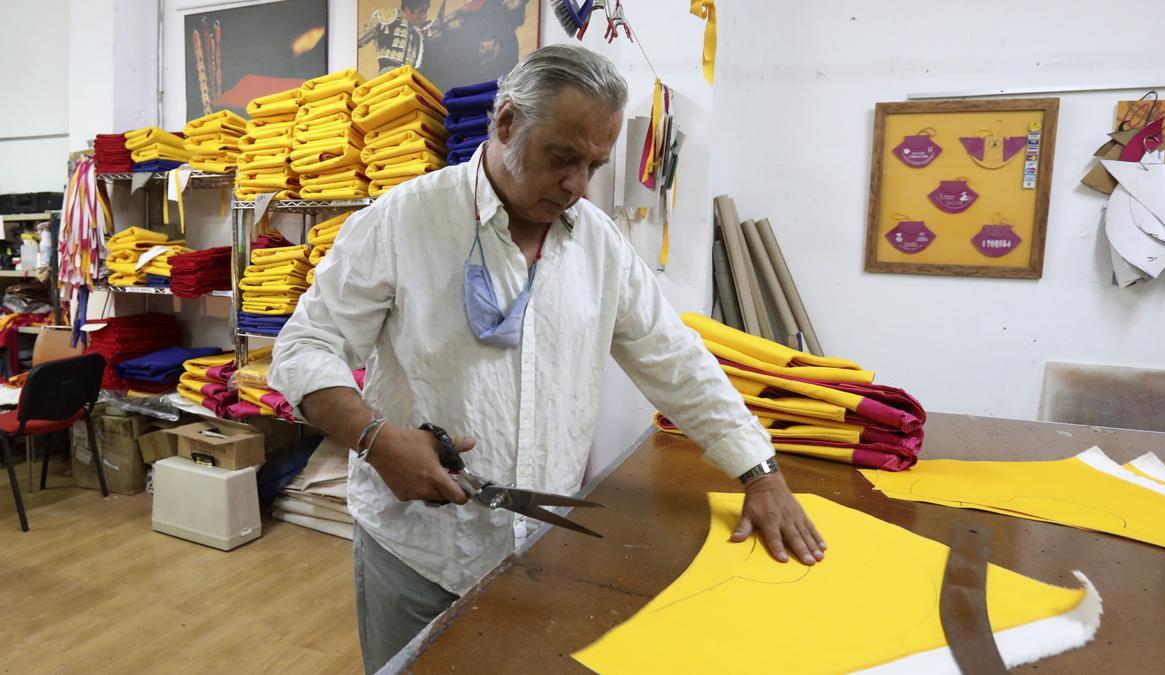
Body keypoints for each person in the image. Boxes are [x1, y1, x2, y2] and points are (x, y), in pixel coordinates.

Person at [269, 44, 826, 672]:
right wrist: (375, 438)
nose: (576, 185)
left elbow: (675, 359)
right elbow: (304, 348)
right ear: (506, 123)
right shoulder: (402, 221)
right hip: (418, 550)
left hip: (541, 544)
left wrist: (761, 473)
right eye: (562, 157)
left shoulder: (598, 243)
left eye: (594, 164)